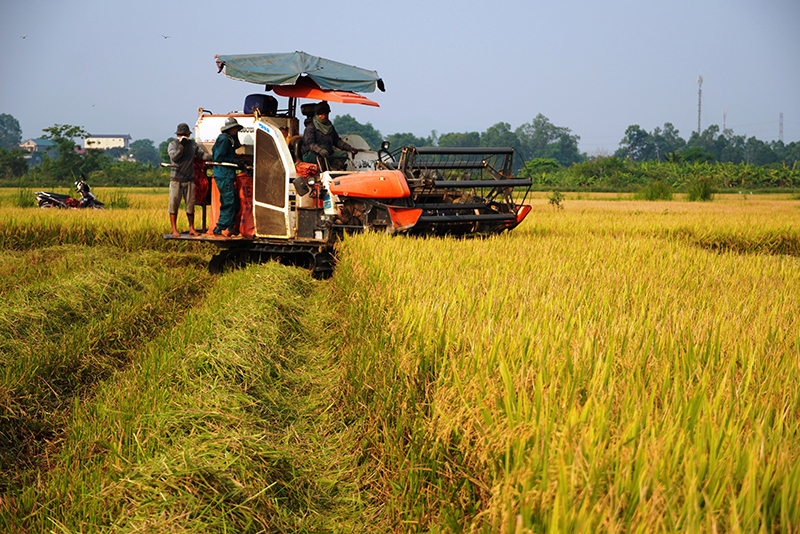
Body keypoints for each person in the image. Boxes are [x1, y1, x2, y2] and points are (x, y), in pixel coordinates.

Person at [167, 123, 209, 237]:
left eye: (185, 134)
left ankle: (191, 228)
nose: (184, 136)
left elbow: (203, 156)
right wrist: (182, 147)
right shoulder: (173, 145)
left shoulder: (193, 145)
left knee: (190, 205)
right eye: (181, 135)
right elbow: (174, 158)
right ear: (178, 136)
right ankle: (174, 230)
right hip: (176, 180)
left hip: (189, 180)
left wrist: (216, 155)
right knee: (174, 204)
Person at [301, 101, 359, 169]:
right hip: (312, 154)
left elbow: (337, 141)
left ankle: (335, 169)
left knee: (343, 155)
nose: (323, 116)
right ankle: (324, 171)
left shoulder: (330, 127)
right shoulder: (311, 127)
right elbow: (309, 144)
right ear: (317, 114)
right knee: (323, 151)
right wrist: (319, 150)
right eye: (321, 114)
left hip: (327, 154)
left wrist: (349, 148)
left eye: (326, 113)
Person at [212, 117, 244, 237]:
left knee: (234, 202)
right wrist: (235, 162)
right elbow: (219, 157)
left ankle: (231, 227)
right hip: (224, 175)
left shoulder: (227, 139)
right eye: (234, 128)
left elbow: (235, 147)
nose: (236, 130)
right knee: (229, 202)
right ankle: (219, 228)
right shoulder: (224, 139)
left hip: (226, 175)